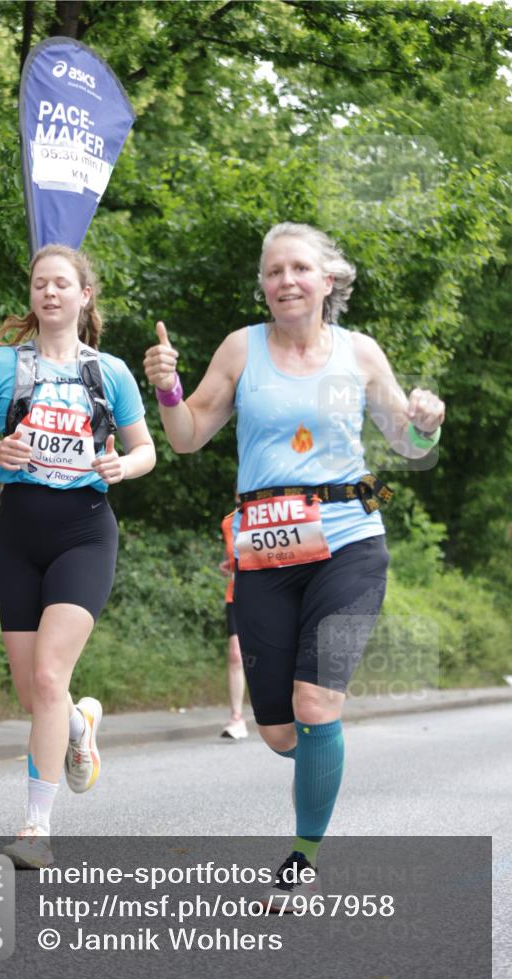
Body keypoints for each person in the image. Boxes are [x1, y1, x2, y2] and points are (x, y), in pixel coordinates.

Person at [144, 222, 444, 906]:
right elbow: (187, 437)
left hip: (348, 542)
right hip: (264, 550)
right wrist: (165, 387)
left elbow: (406, 444)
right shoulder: (240, 349)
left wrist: (424, 418)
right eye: (273, 272)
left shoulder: (360, 353)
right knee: (282, 729)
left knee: (314, 702)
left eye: (298, 269)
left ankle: (301, 857)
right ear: (264, 286)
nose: (285, 281)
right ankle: (321, 751)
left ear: (327, 281)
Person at [0, 244, 155, 868]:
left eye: (62, 284)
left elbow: (145, 450)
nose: (50, 293)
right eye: (40, 283)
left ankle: (35, 829)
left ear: (83, 296)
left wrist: (122, 465)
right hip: (18, 533)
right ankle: (76, 727)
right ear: (32, 295)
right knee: (32, 690)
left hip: (84, 533)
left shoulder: (110, 373)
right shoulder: (2, 366)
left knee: (47, 678)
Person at [219, 509, 248, 740]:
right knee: (236, 655)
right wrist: (230, 565)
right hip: (236, 595)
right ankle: (237, 718)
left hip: (271, 596)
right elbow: (235, 556)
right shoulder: (229, 522)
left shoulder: (270, 512)